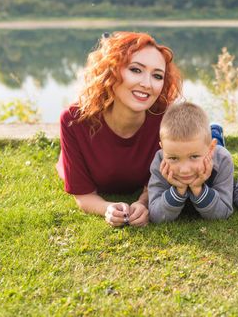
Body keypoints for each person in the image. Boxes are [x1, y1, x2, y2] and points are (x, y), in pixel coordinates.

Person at [57, 31, 182, 227]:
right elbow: (83, 195)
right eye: (135, 70)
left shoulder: (166, 119)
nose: (147, 84)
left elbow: (162, 178)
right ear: (111, 71)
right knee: (63, 164)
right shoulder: (74, 120)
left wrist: (144, 203)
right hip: (73, 159)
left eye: (157, 76)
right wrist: (107, 208)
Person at [148, 102, 234, 222]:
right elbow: (155, 215)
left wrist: (198, 188)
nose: (184, 170)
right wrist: (178, 190)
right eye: (173, 158)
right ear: (163, 149)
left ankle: (215, 131)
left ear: (211, 148)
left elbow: (223, 212)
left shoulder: (223, 160)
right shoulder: (159, 160)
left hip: (215, 149)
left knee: (215, 141)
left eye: (194, 156)